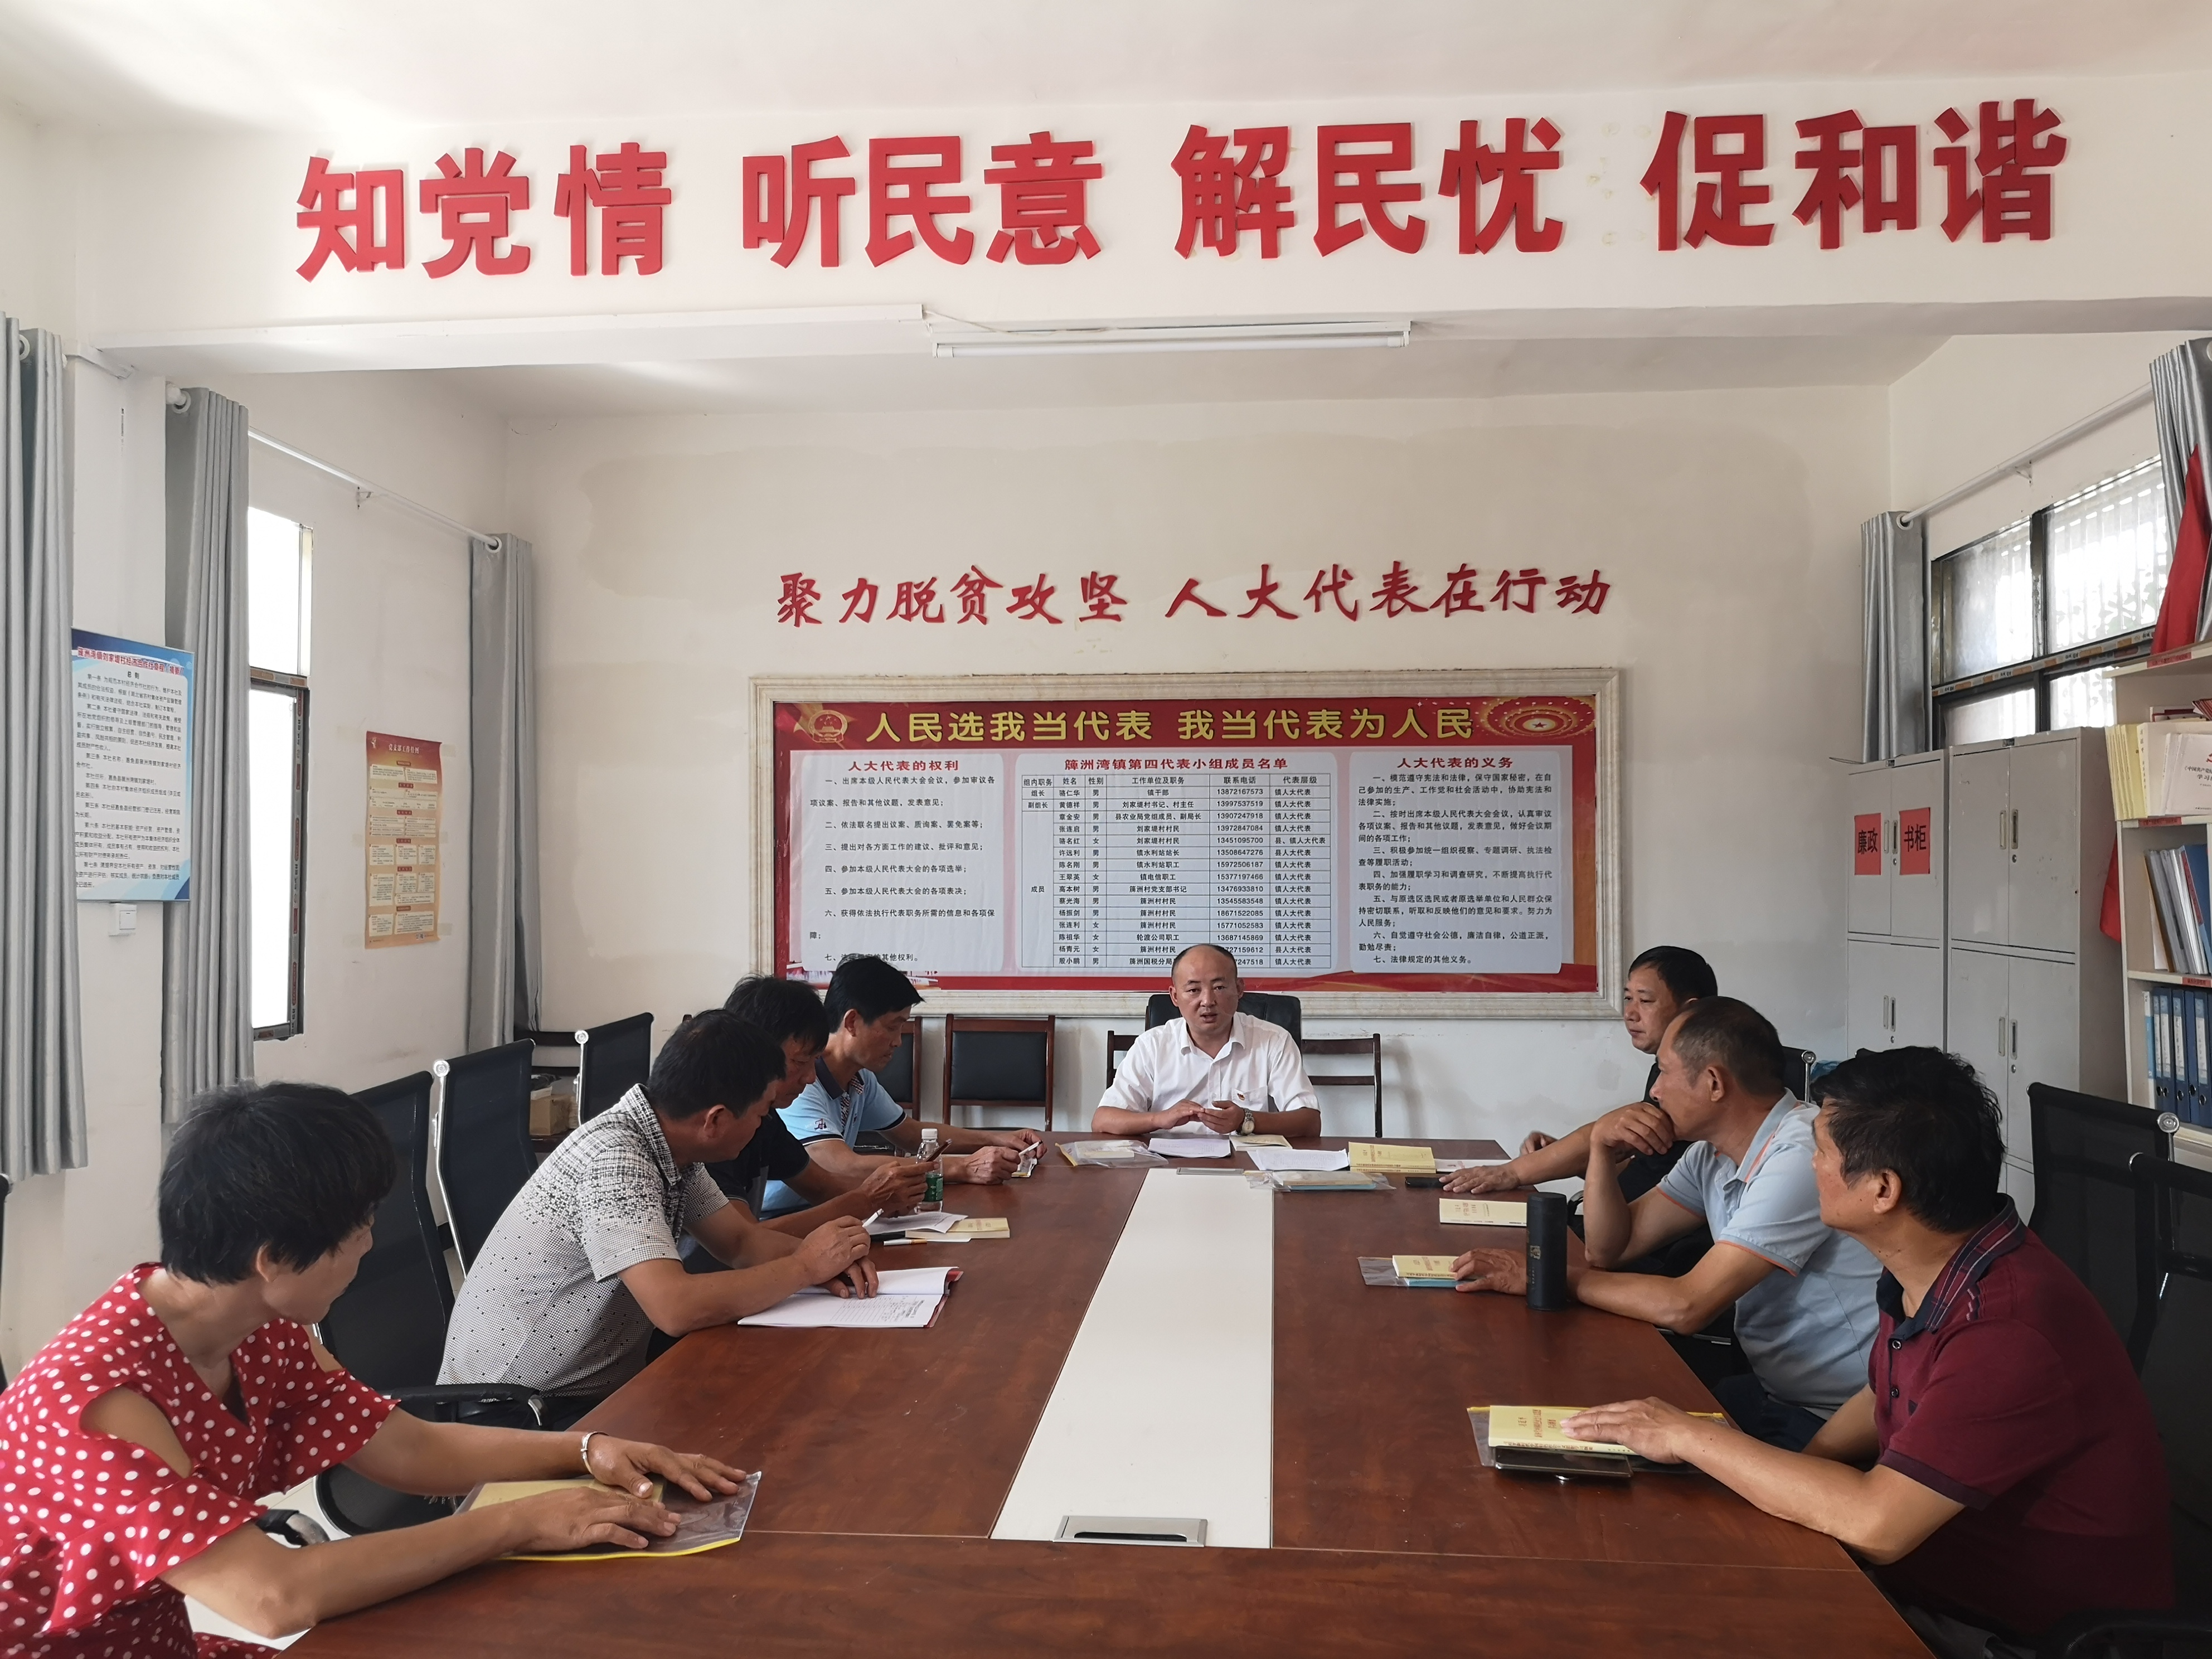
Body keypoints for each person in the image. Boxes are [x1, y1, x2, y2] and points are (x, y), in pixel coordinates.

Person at [0, 1080, 743, 1655]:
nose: (367, 1244)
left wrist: (585, 1450)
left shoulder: (259, 1328)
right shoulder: (100, 1399)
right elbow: (270, 1597)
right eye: (357, 1228)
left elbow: (409, 1449)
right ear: (273, 1260)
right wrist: (518, 1522)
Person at [1563, 1047, 2171, 1657]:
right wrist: (1796, 1466)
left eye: (1821, 1151)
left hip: (2019, 1635)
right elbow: (1882, 1389)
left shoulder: (2006, 1329)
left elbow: (1877, 1526)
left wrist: (1686, 1436)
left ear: (1882, 1189)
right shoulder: (1933, 1265)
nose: (1810, 1162)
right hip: (1929, 1579)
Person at [1453, 997, 1881, 1449]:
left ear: (1713, 1083)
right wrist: (1600, 1150)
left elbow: (1687, 1307)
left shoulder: (1800, 1155)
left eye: (1664, 1071)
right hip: (1771, 1391)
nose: (1655, 1091)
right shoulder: (1710, 1155)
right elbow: (1610, 1249)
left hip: (1834, 1421)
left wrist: (1546, 1276)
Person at [441, 1010, 877, 1405]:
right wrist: (803, 1267)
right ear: (715, 1120)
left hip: (595, 1388)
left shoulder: (671, 1145)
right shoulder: (615, 1162)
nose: (763, 1126)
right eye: (762, 1115)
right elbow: (676, 1308)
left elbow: (742, 1243)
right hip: (516, 1411)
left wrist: (828, 1260)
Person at [761, 955, 1042, 1217]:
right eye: (892, 1026)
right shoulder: (800, 1082)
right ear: (852, 1022)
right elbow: (840, 1165)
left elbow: (911, 1134)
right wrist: (962, 1167)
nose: (898, 1041)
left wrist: (996, 1139)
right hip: (777, 1218)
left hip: (823, 1210)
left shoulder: (860, 1078)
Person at [1444, 944, 1716, 1197]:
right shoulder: (1662, 1071)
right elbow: (1639, 1170)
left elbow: (1618, 1136)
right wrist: (1568, 1158)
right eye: (1628, 998)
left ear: (1690, 1011)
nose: (1630, 1013)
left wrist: (1511, 1173)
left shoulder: (1696, 1080)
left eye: (1645, 1001)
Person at [708, 974, 926, 1230]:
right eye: (801, 1062)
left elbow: (822, 1187)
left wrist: (881, 1198)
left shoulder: (766, 1119)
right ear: (754, 1056)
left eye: (815, 1061)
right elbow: (744, 1241)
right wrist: (867, 1201)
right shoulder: (715, 1128)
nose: (811, 1078)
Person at [1091, 943, 1321, 1139]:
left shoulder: (1274, 1041)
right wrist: (1160, 1119)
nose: (1208, 1001)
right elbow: (1103, 1120)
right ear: (1175, 996)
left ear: (1239, 989)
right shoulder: (1152, 1046)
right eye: (1194, 990)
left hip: (1249, 1165)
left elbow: (1310, 1122)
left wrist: (1245, 1119)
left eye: (1219, 987)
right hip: (1169, 1165)